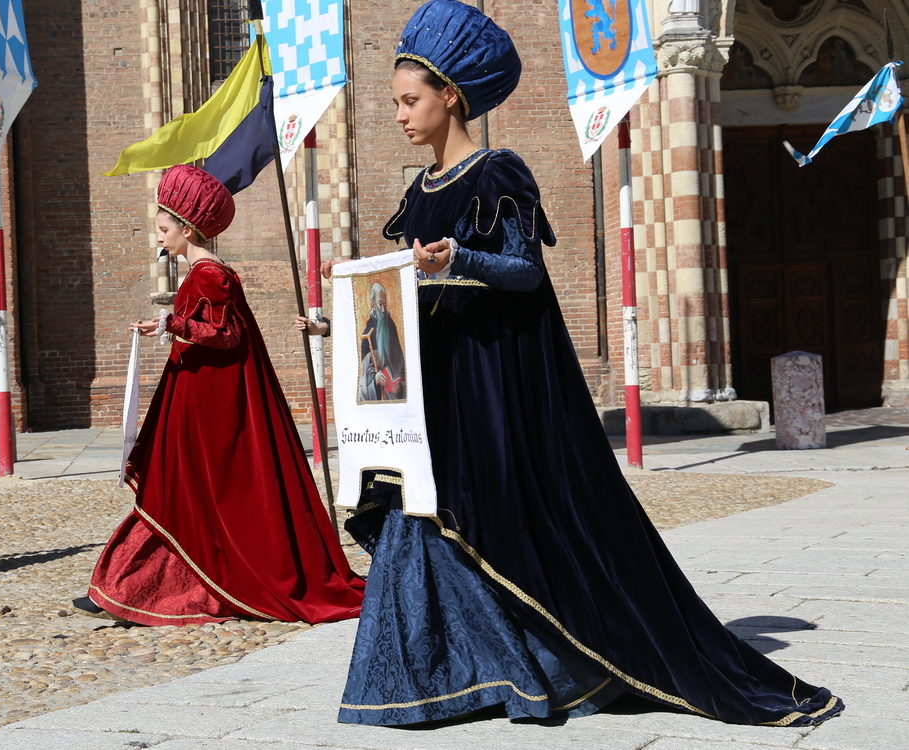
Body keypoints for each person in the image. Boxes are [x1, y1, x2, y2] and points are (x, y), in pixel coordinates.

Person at [336, 0, 843, 728]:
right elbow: (405, 293)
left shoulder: (495, 173)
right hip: (429, 388)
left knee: (483, 519)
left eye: (409, 100)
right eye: (392, 103)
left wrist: (460, 257)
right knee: (421, 514)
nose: (398, 115)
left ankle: (541, 669)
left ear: (450, 96)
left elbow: (522, 273)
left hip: (489, 388)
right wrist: (348, 310)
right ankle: (436, 677)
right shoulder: (418, 192)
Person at [74, 164, 365, 627]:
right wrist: (165, 325)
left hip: (209, 406)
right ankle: (126, 587)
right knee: (177, 491)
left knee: (180, 489)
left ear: (187, 228)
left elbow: (224, 334)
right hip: (193, 399)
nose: (160, 239)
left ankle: (131, 587)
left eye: (165, 229)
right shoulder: (201, 274)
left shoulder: (211, 274)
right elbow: (203, 328)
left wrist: (174, 324)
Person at [358, 283, 405, 402]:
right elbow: (364, 371)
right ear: (373, 303)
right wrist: (375, 379)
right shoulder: (368, 333)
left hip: (393, 391)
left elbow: (399, 360)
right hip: (377, 392)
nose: (383, 309)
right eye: (380, 304)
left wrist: (399, 382)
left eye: (385, 304)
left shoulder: (391, 326)